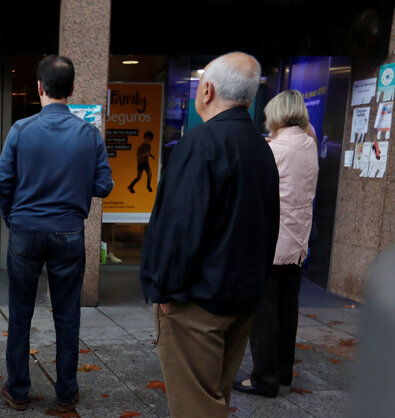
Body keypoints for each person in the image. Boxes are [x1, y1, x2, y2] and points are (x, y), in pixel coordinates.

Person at [139, 52, 279, 417]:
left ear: (206, 90)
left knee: (197, 407)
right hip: (241, 297)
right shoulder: (260, 148)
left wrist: (165, 291)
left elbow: (179, 226)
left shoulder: (201, 143)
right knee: (215, 397)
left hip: (196, 303)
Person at [0, 55, 113, 412]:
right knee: (67, 315)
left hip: (26, 231)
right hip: (68, 233)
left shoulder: (21, 130)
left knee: (20, 314)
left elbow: (2, 186)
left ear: (39, 88)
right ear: (72, 90)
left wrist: (13, 220)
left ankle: (17, 391)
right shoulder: (89, 134)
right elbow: (104, 186)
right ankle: (66, 392)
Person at [234, 90, 318, 398]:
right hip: (297, 244)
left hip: (272, 242)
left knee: (265, 312)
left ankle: (264, 378)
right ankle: (282, 371)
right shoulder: (309, 144)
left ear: (278, 114)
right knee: (287, 308)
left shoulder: (275, 148)